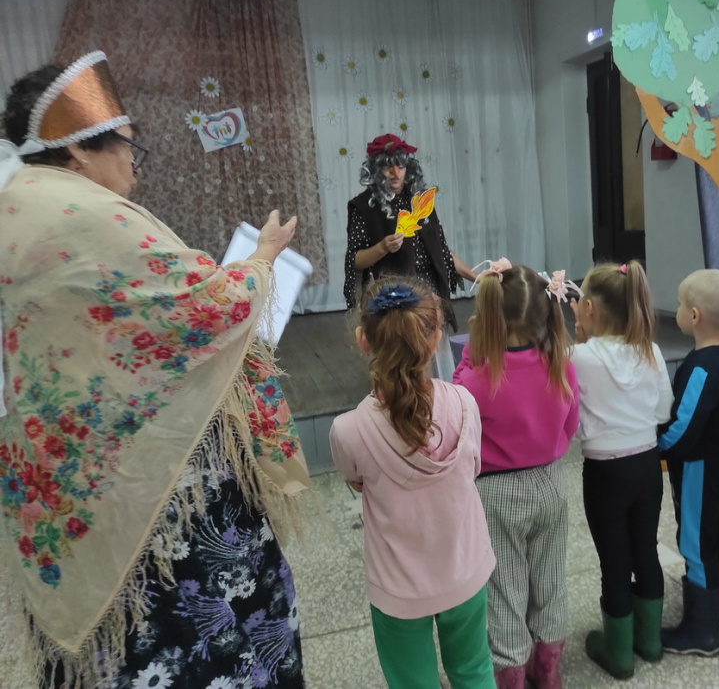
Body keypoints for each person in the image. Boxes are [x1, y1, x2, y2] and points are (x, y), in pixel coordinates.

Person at [0, 53, 310, 688]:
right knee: (206, 643)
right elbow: (211, 305)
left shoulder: (16, 207)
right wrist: (262, 257)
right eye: (128, 146)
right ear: (79, 147)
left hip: (65, 483)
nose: (134, 166)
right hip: (152, 492)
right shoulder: (85, 214)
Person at [329, 277, 496, 689]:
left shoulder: (348, 430)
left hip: (398, 588)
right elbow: (472, 468)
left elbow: (356, 481)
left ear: (363, 340)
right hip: (465, 569)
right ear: (436, 338)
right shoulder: (465, 403)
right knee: (475, 670)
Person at [452, 262, 579, 689]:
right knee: (550, 579)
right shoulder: (561, 364)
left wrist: (469, 352)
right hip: (551, 483)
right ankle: (549, 669)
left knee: (504, 590)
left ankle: (510, 674)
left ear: (487, 318)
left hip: (497, 494)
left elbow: (459, 415)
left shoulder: (476, 379)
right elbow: (571, 427)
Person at [569, 261, 673, 680]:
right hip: (648, 466)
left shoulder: (577, 356)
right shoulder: (651, 349)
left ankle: (619, 656)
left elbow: (570, 420)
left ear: (588, 309)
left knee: (614, 562)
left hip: (604, 473)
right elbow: (663, 411)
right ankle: (650, 642)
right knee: (645, 550)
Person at [657, 269, 719, 657]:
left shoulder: (701, 366)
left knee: (694, 541)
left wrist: (657, 446)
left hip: (697, 466)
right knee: (713, 530)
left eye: (678, 304)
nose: (676, 309)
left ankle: (702, 632)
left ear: (694, 315)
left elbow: (684, 426)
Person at [343, 133, 476, 323]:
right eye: (387, 166)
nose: (395, 173)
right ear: (374, 169)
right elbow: (355, 260)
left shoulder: (420, 200)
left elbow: (442, 252)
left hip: (432, 295)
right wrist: (382, 248)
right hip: (396, 301)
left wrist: (477, 277)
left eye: (401, 166)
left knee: (435, 339)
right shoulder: (363, 207)